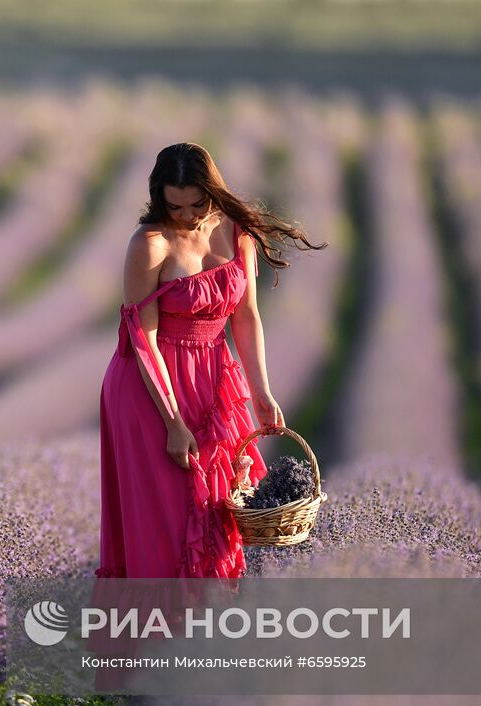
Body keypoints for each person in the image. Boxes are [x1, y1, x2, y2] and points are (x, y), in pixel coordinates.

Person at [96, 142, 327, 581]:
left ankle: (204, 637)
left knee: (219, 511)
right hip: (151, 387)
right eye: (174, 205)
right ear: (158, 197)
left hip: (214, 379)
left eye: (196, 203)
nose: (186, 215)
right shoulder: (149, 244)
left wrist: (261, 391)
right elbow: (142, 337)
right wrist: (174, 422)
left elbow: (247, 316)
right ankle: (158, 644)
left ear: (211, 191)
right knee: (168, 523)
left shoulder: (235, 231)